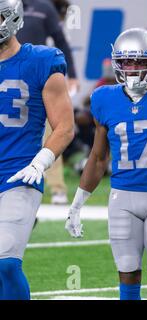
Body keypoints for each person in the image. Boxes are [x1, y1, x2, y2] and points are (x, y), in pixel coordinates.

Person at [65, 28, 147, 300]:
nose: (134, 69)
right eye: (128, 62)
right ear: (117, 63)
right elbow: (99, 157)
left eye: (141, 62)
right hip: (121, 198)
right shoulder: (105, 97)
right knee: (128, 274)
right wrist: (77, 203)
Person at [0, 0, 74, 299]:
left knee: (5, 263)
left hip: (18, 174)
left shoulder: (41, 60)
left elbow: (65, 127)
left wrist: (40, 163)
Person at [17, 0, 78, 204]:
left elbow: (61, 40)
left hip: (35, 79)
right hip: (6, 80)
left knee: (53, 131)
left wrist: (73, 74)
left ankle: (57, 188)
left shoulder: (43, 8)